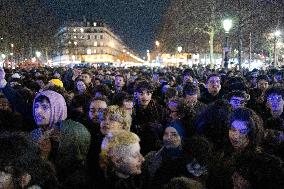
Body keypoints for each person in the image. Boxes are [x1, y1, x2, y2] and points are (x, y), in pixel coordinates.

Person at [142, 122, 186, 189]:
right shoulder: (158, 155)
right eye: (166, 134)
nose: (168, 138)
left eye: (173, 135)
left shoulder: (178, 163)